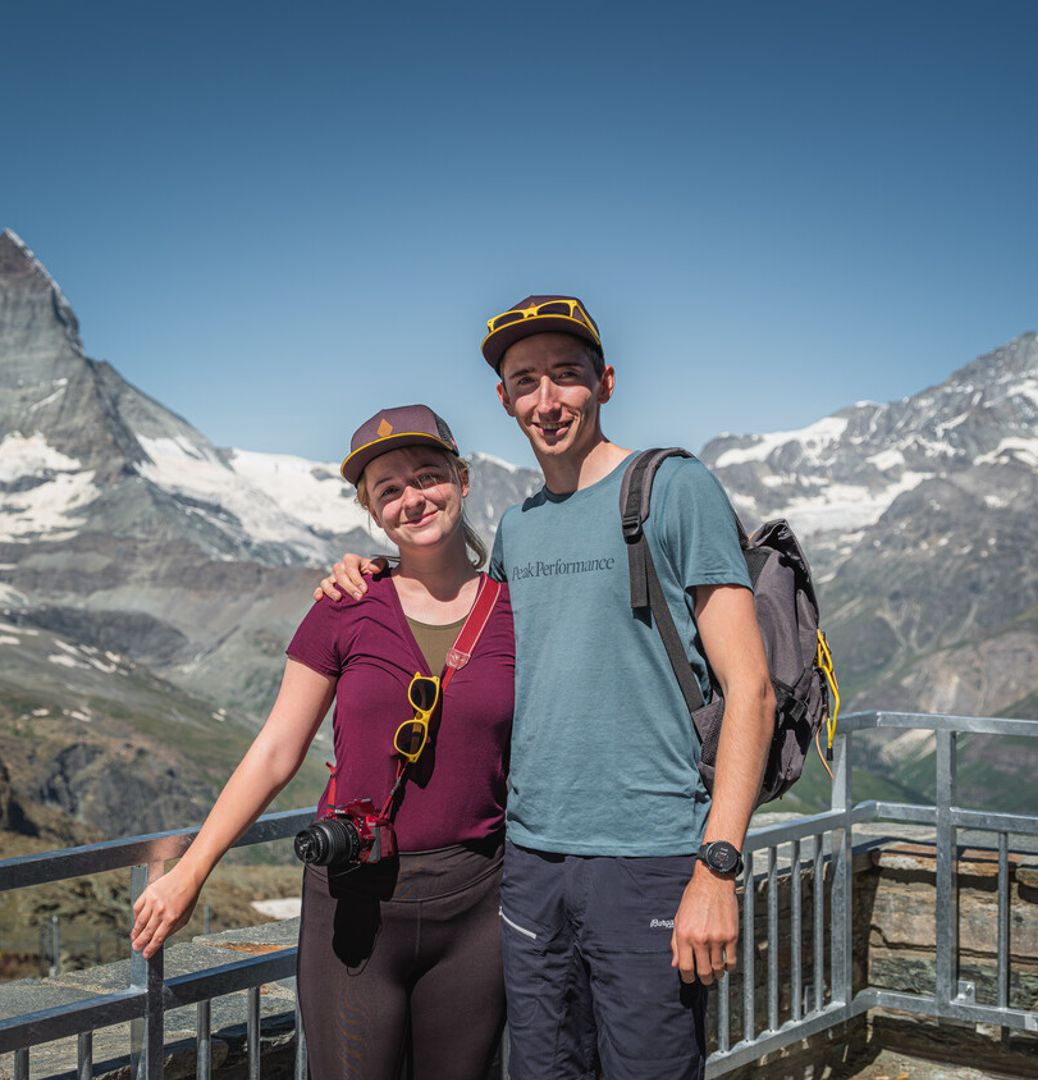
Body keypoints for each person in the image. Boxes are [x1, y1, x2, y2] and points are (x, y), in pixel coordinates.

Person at [320, 298, 774, 1080]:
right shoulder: (518, 532)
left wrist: (718, 867)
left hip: (650, 854)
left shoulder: (671, 489)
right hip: (529, 861)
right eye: (525, 381)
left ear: (604, 382)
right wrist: (366, 574)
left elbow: (753, 690)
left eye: (566, 376)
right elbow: (460, 623)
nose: (547, 398)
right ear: (504, 400)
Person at [131, 404, 514, 1080]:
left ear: (462, 478)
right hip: (355, 900)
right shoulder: (344, 604)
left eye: (428, 477)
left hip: (480, 901)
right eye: (388, 490)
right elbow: (277, 750)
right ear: (370, 510)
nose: (412, 500)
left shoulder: (516, 612)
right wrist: (192, 870)